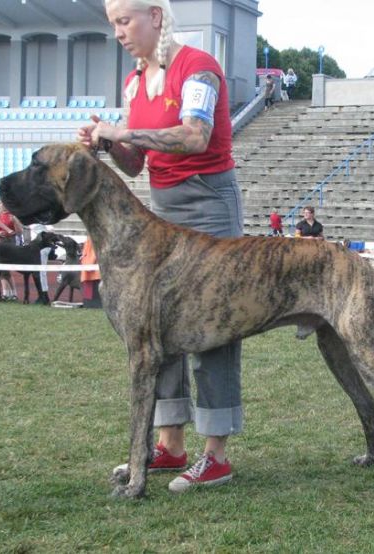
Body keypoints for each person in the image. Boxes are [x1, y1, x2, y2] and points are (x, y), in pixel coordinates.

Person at [78, 0, 243, 493]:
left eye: (124, 20)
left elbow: (195, 136)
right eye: (113, 24)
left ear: (155, 16)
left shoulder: (198, 67)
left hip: (209, 202)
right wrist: (109, 144)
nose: (118, 32)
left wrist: (121, 130)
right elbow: (136, 164)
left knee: (214, 328)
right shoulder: (135, 81)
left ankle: (217, 455)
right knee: (157, 326)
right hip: (162, 205)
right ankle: (170, 444)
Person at [0, 200, 23, 300]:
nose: (2, 206)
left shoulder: (12, 217)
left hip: (9, 244)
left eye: (4, 204)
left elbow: (19, 232)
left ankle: (9, 293)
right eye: (0, 204)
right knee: (2, 271)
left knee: (5, 270)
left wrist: (15, 222)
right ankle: (10, 293)